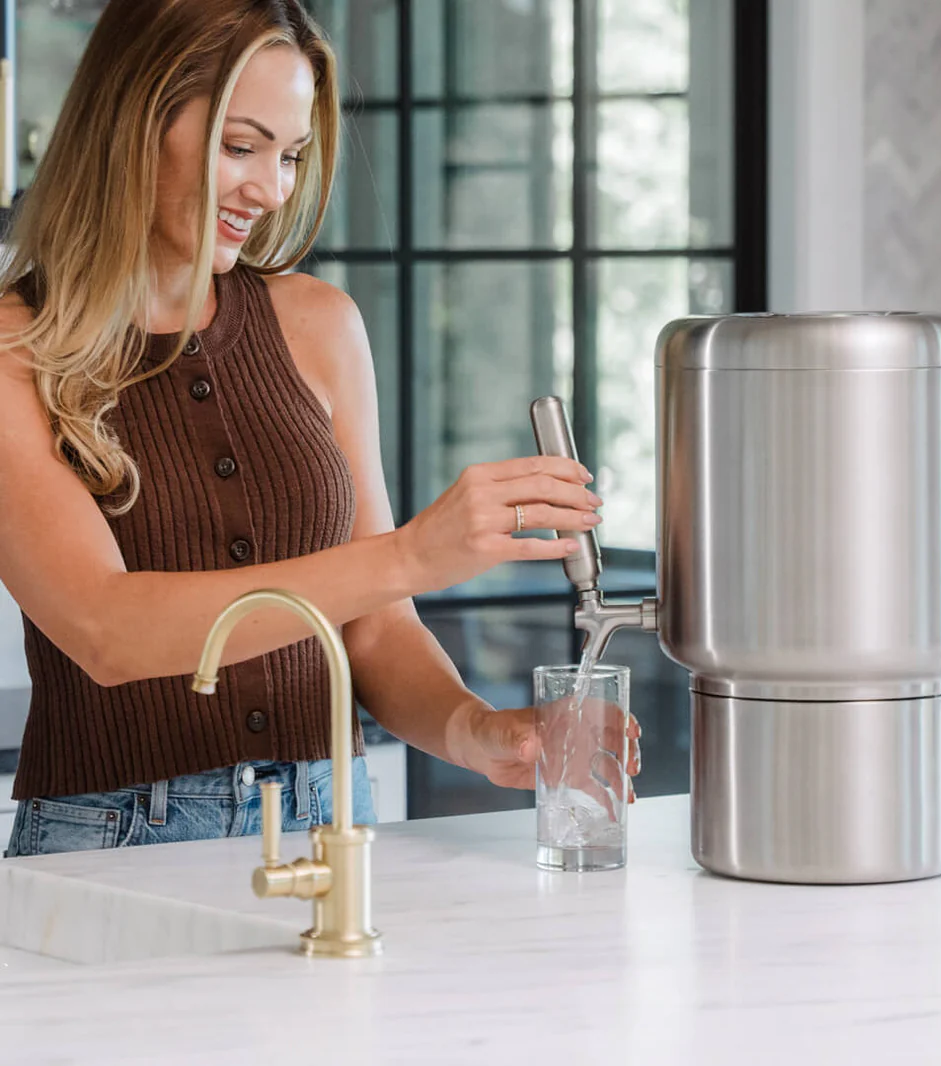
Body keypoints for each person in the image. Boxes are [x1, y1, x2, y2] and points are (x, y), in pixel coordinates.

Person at [0, 0, 639, 857]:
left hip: (329, 822)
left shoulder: (319, 324)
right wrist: (414, 551)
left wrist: (477, 732)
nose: (270, 190)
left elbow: (375, 628)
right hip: (111, 836)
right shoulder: (18, 350)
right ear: (133, 120)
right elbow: (107, 631)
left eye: (291, 154)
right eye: (241, 146)